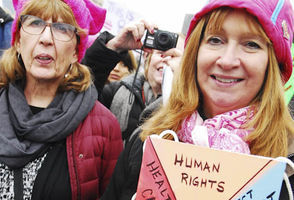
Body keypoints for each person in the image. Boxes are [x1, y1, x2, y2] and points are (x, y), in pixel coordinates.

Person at [100, 0, 294, 199]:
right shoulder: (150, 137)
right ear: (195, 51)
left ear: (274, 64)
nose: (227, 61)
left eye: (251, 44)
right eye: (215, 40)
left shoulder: (287, 161)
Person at [0, 0, 123, 199]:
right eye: (34, 23)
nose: (46, 38)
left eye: (62, 28)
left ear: (76, 52)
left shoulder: (104, 127)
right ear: (17, 41)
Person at [83, 21, 184, 144]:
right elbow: (81, 94)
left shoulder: (190, 112)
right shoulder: (116, 91)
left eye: (175, 56)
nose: (167, 59)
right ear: (148, 57)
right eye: (161, 54)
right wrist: (113, 47)